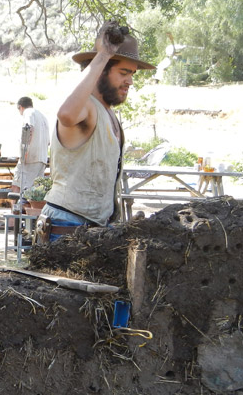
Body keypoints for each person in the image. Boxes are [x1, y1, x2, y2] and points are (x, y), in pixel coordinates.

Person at [37, 22, 155, 242]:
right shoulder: (86, 108)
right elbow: (66, 115)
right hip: (67, 225)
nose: (129, 81)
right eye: (123, 72)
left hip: (94, 228)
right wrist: (103, 55)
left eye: (132, 74)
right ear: (100, 70)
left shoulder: (107, 114)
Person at [10, 96, 49, 198]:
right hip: (42, 159)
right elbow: (48, 142)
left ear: (20, 107)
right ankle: (28, 212)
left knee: (17, 186)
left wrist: (24, 153)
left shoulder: (28, 113)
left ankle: (16, 210)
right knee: (34, 192)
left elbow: (28, 129)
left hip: (30, 158)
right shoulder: (43, 117)